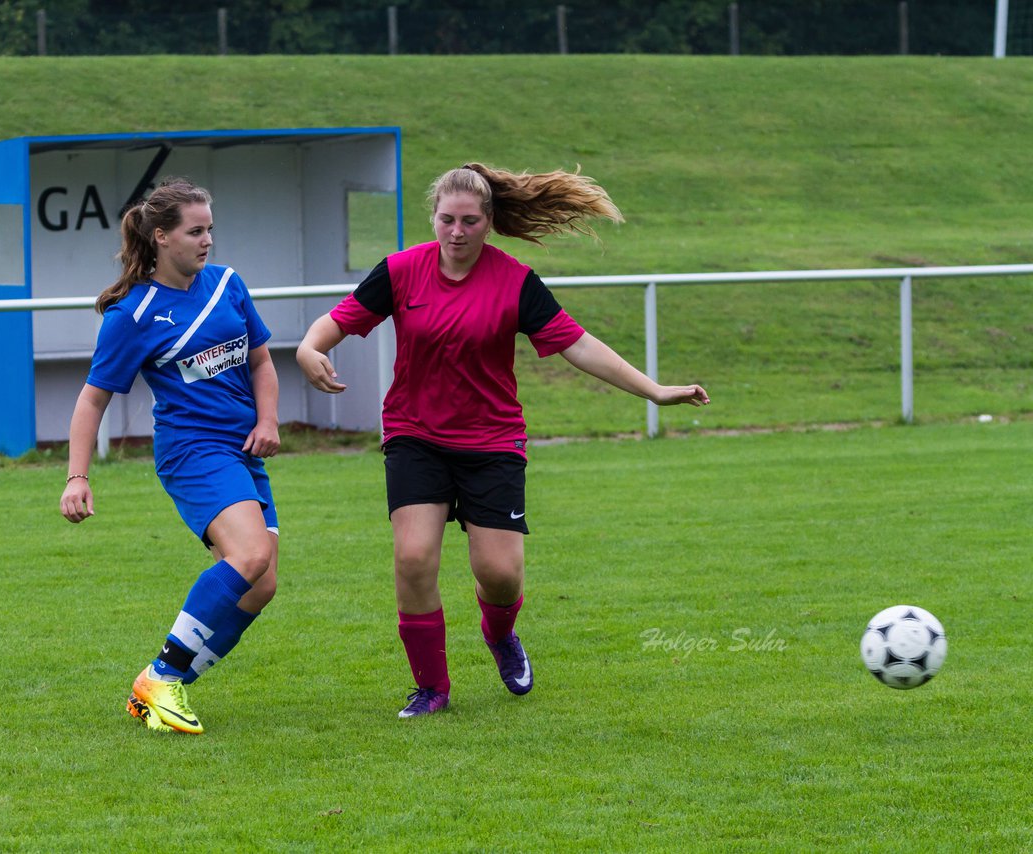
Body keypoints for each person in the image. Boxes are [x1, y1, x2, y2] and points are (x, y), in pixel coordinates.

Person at [296, 163, 709, 719]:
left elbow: (580, 346)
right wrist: (308, 349)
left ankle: (501, 634)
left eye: (469, 220)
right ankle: (432, 689)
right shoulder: (399, 271)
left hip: (492, 441)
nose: (457, 231)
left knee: (499, 573)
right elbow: (338, 321)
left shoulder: (515, 280)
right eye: (447, 219)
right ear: (433, 218)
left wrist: (654, 391)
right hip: (415, 435)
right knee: (414, 557)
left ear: (489, 222)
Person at [60, 178, 281, 735]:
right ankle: (162, 677)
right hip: (193, 452)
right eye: (195, 230)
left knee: (262, 584)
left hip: (242, 450)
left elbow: (261, 362)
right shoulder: (133, 315)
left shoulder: (228, 285)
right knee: (250, 556)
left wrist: (269, 419)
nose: (207, 240)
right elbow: (91, 401)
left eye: (210, 229)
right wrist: (77, 476)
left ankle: (159, 688)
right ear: (161, 237)